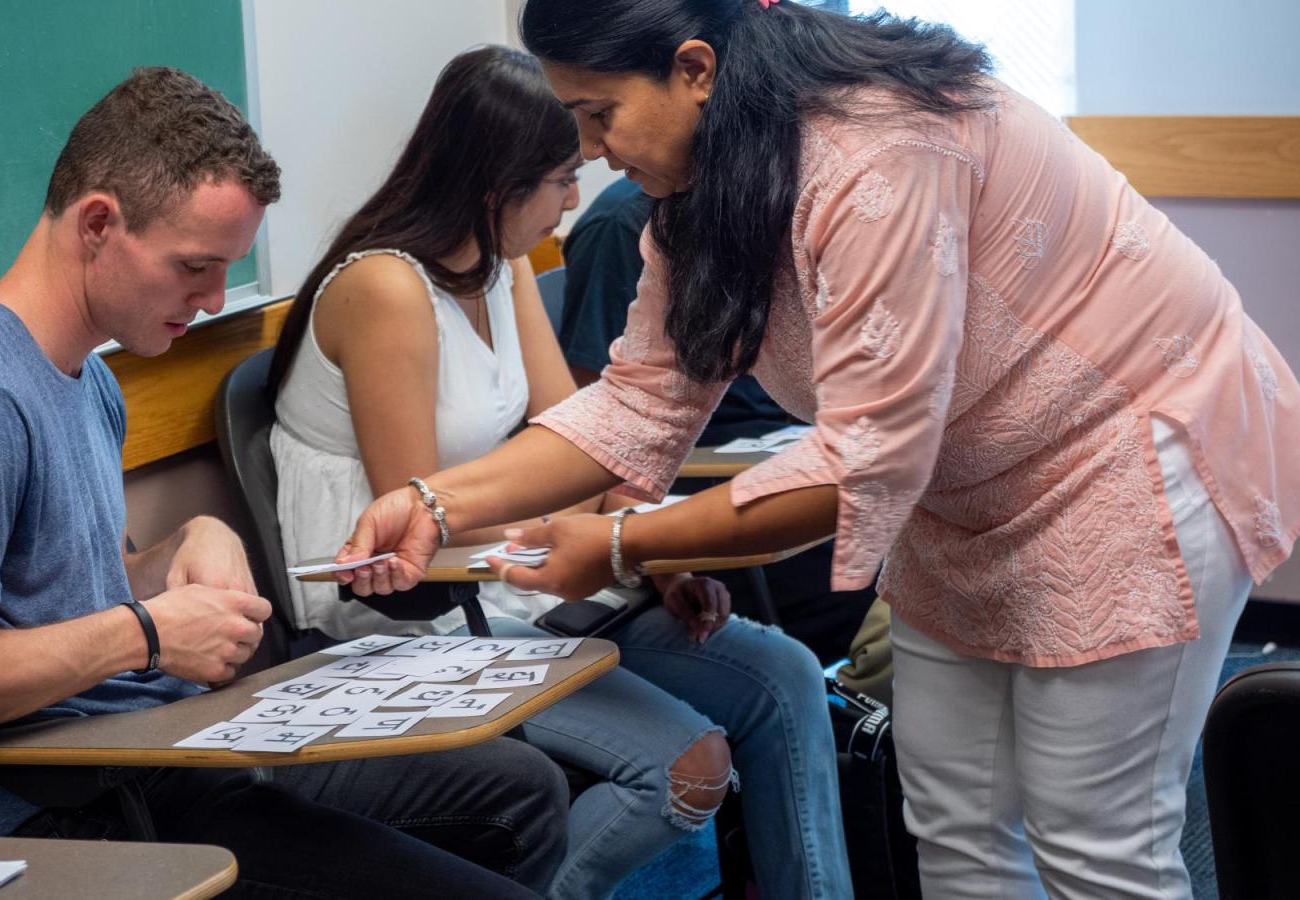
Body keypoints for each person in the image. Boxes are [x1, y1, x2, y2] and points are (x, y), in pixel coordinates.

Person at [334, 2, 1300, 899]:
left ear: (695, 69)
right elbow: (638, 404)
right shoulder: (700, 189)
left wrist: (630, 546)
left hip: (1122, 456)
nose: (589, 151)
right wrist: (436, 500)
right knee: (956, 826)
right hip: (958, 495)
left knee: (1095, 841)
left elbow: (861, 463)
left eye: (599, 113)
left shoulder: (879, 151)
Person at [0, 66, 566, 899]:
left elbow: (70, 592)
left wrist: (192, 542)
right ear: (99, 224)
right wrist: (147, 634)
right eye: (194, 266)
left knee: (521, 791)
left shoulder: (83, 376)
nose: (216, 297)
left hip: (163, 745)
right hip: (79, 806)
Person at [267, 46, 850, 900]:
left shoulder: (500, 266)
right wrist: (617, 542)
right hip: (408, 621)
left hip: (513, 585)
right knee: (687, 767)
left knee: (783, 675)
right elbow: (423, 524)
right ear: (495, 185)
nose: (575, 200)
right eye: (560, 179)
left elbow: (581, 436)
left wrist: (647, 552)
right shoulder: (385, 290)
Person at [562, 173, 875, 663]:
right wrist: (650, 553)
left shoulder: (778, 197)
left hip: (788, 451)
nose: (594, 153)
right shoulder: (624, 223)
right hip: (701, 479)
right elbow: (604, 423)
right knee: (865, 568)